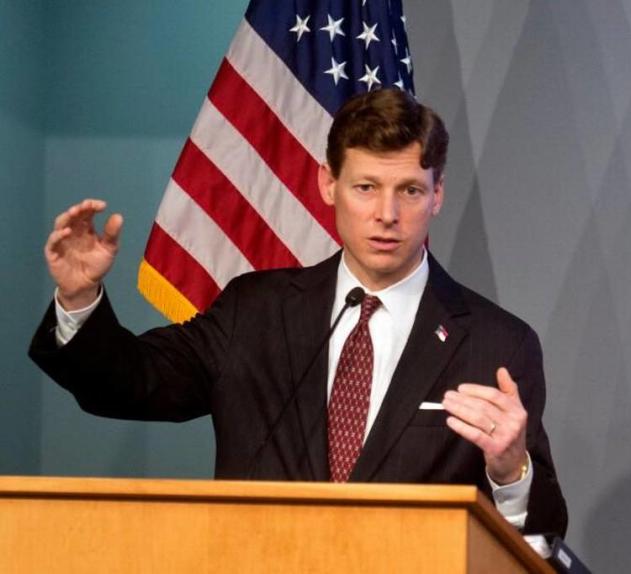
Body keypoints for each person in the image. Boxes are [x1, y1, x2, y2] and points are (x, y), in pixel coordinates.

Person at [29, 88, 567, 536]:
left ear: (437, 195)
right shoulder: (255, 311)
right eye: (365, 187)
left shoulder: (498, 344)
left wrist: (510, 470)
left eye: (408, 190)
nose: (386, 214)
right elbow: (134, 382)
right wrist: (79, 299)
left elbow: (544, 538)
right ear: (327, 184)